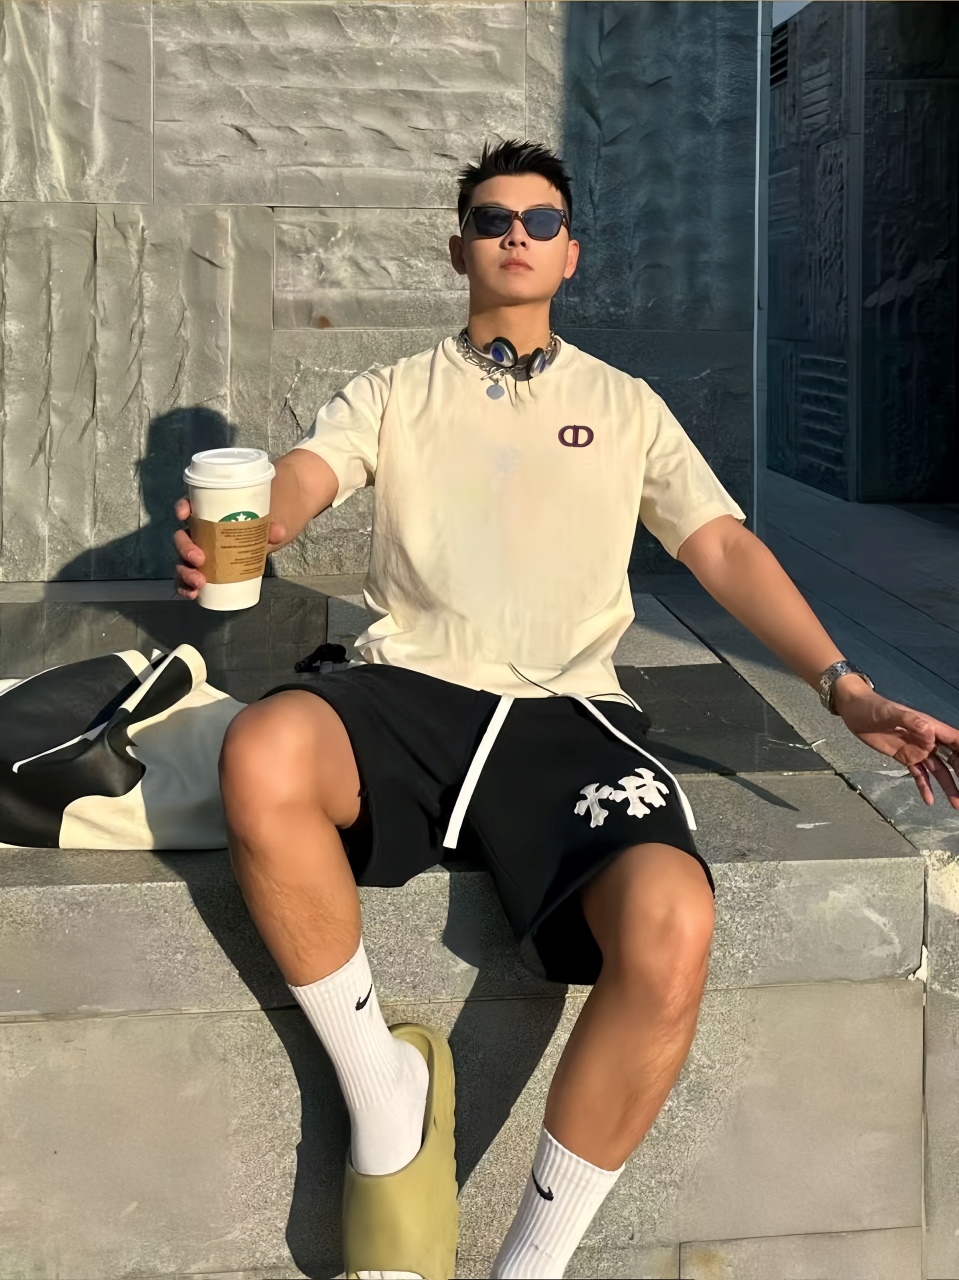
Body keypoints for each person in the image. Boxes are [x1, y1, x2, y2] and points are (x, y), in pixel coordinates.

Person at [174, 139, 959, 1280]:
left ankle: (530, 1266)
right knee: (263, 748)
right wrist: (262, 521)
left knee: (671, 919)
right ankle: (383, 1090)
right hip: (409, 693)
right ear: (458, 249)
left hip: (569, 720)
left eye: (539, 221)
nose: (515, 235)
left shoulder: (625, 405)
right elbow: (306, 473)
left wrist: (844, 687)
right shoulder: (393, 390)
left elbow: (722, 547)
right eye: (491, 219)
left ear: (569, 253)